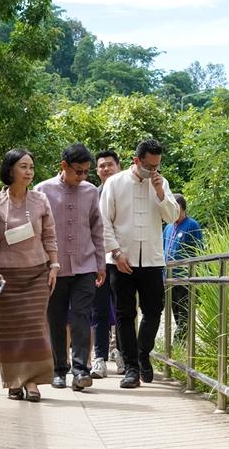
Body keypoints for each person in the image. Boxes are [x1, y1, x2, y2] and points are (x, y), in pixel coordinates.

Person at [0, 148, 59, 402]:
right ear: (10, 169)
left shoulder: (40, 200)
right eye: (23, 166)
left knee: (35, 329)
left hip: (37, 273)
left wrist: (55, 265)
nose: (29, 171)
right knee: (11, 331)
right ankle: (14, 381)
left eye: (31, 167)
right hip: (6, 277)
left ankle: (33, 381)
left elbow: (49, 235)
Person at [100, 139, 179, 388]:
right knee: (124, 314)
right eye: (148, 166)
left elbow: (173, 216)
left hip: (153, 259)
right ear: (136, 161)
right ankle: (131, 368)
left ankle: (144, 354)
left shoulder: (161, 183)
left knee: (154, 310)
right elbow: (104, 221)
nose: (152, 171)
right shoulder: (115, 182)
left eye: (156, 166)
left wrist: (160, 193)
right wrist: (115, 252)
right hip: (121, 259)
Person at [36, 143, 106, 392]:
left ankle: (80, 370)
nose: (83, 177)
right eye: (79, 171)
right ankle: (58, 370)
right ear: (63, 166)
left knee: (81, 316)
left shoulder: (90, 192)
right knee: (55, 318)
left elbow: (97, 229)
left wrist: (100, 263)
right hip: (53, 268)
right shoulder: (42, 191)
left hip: (85, 265)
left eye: (87, 172)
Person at [91, 149, 123, 378]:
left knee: (123, 310)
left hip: (122, 259)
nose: (105, 169)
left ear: (118, 166)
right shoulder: (92, 195)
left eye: (109, 165)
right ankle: (99, 357)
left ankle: (123, 354)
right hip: (99, 260)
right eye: (101, 166)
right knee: (99, 311)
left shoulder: (127, 191)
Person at [163, 194, 203, 342]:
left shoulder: (192, 225)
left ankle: (178, 343)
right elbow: (162, 249)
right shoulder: (168, 227)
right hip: (169, 277)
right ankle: (181, 343)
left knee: (185, 313)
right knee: (175, 313)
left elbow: (199, 250)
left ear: (183, 208)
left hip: (185, 277)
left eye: (176, 207)